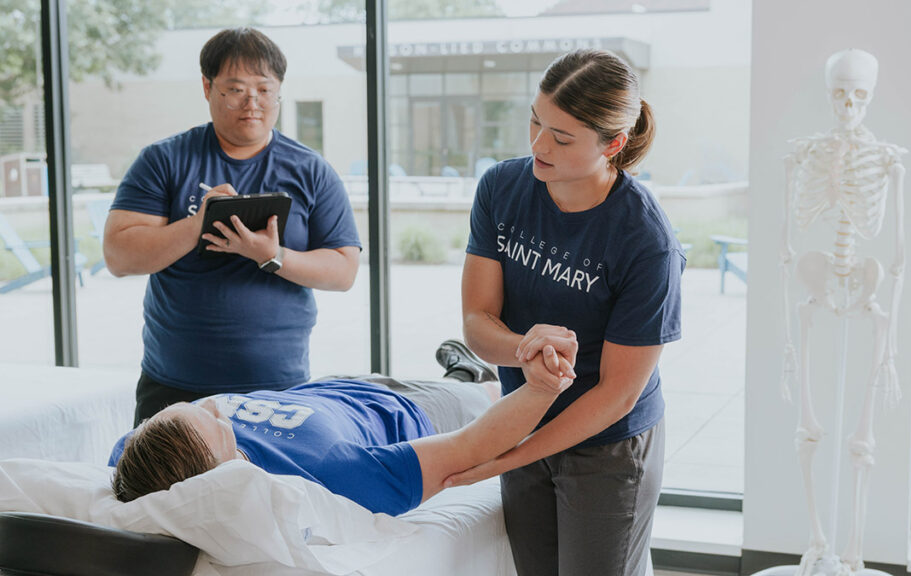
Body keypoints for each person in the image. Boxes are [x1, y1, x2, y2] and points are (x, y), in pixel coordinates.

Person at [450, 49, 686, 576]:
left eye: (561, 137)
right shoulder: (502, 189)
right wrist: (522, 350)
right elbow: (476, 322)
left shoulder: (647, 242)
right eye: (535, 121)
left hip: (609, 445)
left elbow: (617, 393)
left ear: (614, 144)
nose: (537, 145)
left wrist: (506, 455)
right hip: (523, 413)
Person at [103, 27, 361, 426]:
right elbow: (119, 256)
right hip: (174, 385)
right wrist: (199, 222)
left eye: (264, 88)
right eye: (235, 89)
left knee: (271, 491)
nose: (252, 103)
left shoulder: (310, 169)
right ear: (207, 87)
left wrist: (272, 256)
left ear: (279, 91)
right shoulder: (163, 160)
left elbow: (343, 270)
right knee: (159, 490)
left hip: (279, 390)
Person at [109, 340, 575, 517]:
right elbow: (471, 445)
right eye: (217, 423)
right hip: (411, 411)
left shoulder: (139, 452)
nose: (219, 409)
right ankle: (471, 376)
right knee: (483, 393)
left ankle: (459, 370)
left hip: (331, 387)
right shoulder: (330, 478)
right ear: (225, 468)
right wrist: (541, 390)